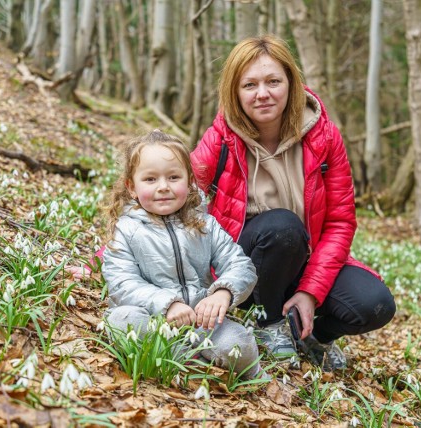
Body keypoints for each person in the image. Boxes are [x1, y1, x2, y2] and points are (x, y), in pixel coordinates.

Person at [190, 35, 396, 371]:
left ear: (292, 83)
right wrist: (111, 256)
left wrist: (311, 292)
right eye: (250, 84)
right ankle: (268, 324)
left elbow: (341, 222)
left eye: (273, 81)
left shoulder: (325, 137)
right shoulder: (222, 137)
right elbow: (174, 194)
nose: (263, 93)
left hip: (303, 256)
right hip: (245, 262)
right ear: (235, 91)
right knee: (283, 226)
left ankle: (311, 336)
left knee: (374, 304)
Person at [101, 129, 263, 379]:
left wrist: (223, 292)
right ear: (132, 187)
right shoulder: (126, 229)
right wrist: (167, 304)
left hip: (201, 323)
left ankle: (183, 360)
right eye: (151, 179)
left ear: (189, 183)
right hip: (151, 318)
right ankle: (182, 361)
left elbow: (240, 265)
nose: (163, 187)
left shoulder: (205, 225)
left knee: (238, 345)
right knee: (123, 321)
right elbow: (122, 283)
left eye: (173, 177)